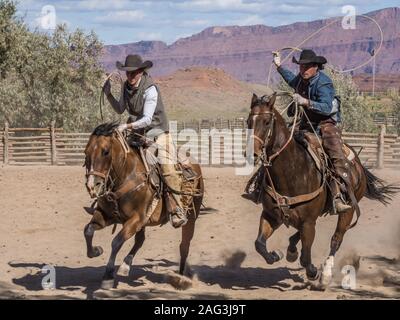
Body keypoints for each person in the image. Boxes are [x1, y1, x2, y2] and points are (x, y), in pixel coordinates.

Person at [102, 54, 188, 227]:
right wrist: (109, 94)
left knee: (167, 168)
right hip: (139, 134)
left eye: (134, 73)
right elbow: (120, 109)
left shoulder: (150, 89)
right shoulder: (127, 88)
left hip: (159, 133)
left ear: (141, 72)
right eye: (128, 73)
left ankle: (178, 210)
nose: (130, 76)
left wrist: (126, 127)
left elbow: (148, 119)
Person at [273, 49, 352, 213]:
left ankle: (339, 195)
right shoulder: (301, 79)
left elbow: (326, 107)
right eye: (301, 67)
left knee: (335, 152)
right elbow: (291, 79)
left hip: (325, 124)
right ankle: (263, 184)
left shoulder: (324, 83)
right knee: (281, 143)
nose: (303, 70)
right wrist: (279, 66)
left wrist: (306, 102)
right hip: (307, 124)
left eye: (307, 67)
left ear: (316, 66)